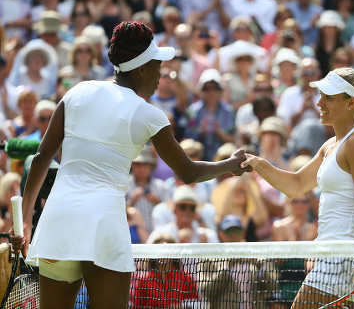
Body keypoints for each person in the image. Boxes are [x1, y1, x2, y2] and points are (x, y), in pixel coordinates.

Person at [9, 21, 249, 309]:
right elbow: (189, 172)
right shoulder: (150, 115)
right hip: (102, 225)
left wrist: (25, 222)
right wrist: (231, 164)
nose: (161, 75)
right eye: (157, 66)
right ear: (142, 68)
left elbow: (42, 157)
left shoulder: (77, 92)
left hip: (58, 222)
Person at [241, 65, 354, 308]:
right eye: (321, 96)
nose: (319, 103)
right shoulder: (330, 145)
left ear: (350, 103)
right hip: (330, 254)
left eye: (328, 97)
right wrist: (258, 164)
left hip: (345, 257)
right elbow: (295, 185)